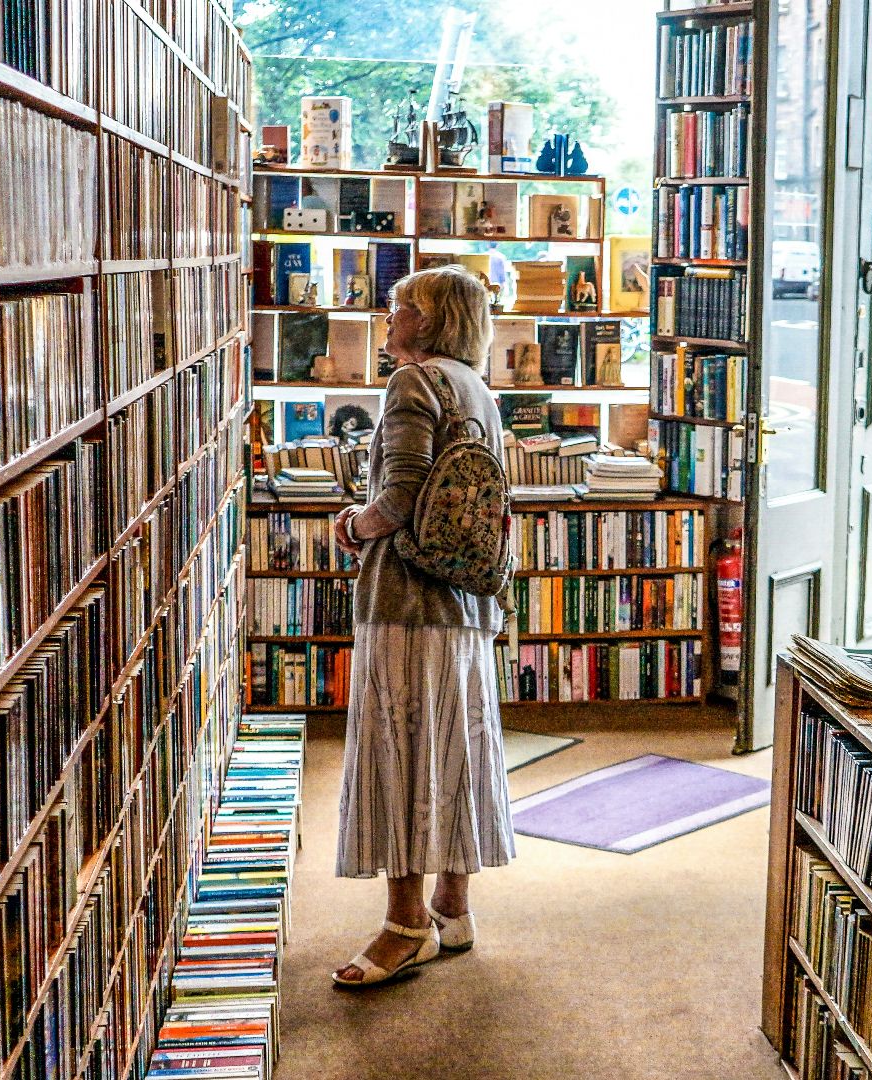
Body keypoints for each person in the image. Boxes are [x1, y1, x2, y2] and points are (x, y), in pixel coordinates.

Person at [328, 265, 516, 988]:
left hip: (407, 601)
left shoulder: (411, 384)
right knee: (456, 750)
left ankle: (406, 926)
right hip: (466, 599)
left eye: (400, 304)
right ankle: (453, 907)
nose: (388, 311)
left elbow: (399, 499)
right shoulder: (477, 389)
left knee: (398, 755)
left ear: (430, 321)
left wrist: (351, 524)